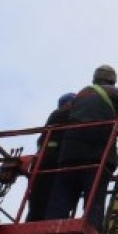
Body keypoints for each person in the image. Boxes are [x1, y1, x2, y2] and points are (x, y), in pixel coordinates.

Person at [45, 65, 118, 226]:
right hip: (98, 154)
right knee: (94, 201)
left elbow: (59, 119)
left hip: (69, 154)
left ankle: (49, 231)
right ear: (113, 80)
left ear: (95, 79)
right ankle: (91, 232)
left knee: (61, 198)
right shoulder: (117, 94)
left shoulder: (81, 95)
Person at [26, 91, 75, 222]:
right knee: (46, 195)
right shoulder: (61, 115)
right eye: (74, 102)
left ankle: (34, 221)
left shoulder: (56, 117)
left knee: (40, 196)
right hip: (51, 161)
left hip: (44, 160)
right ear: (67, 103)